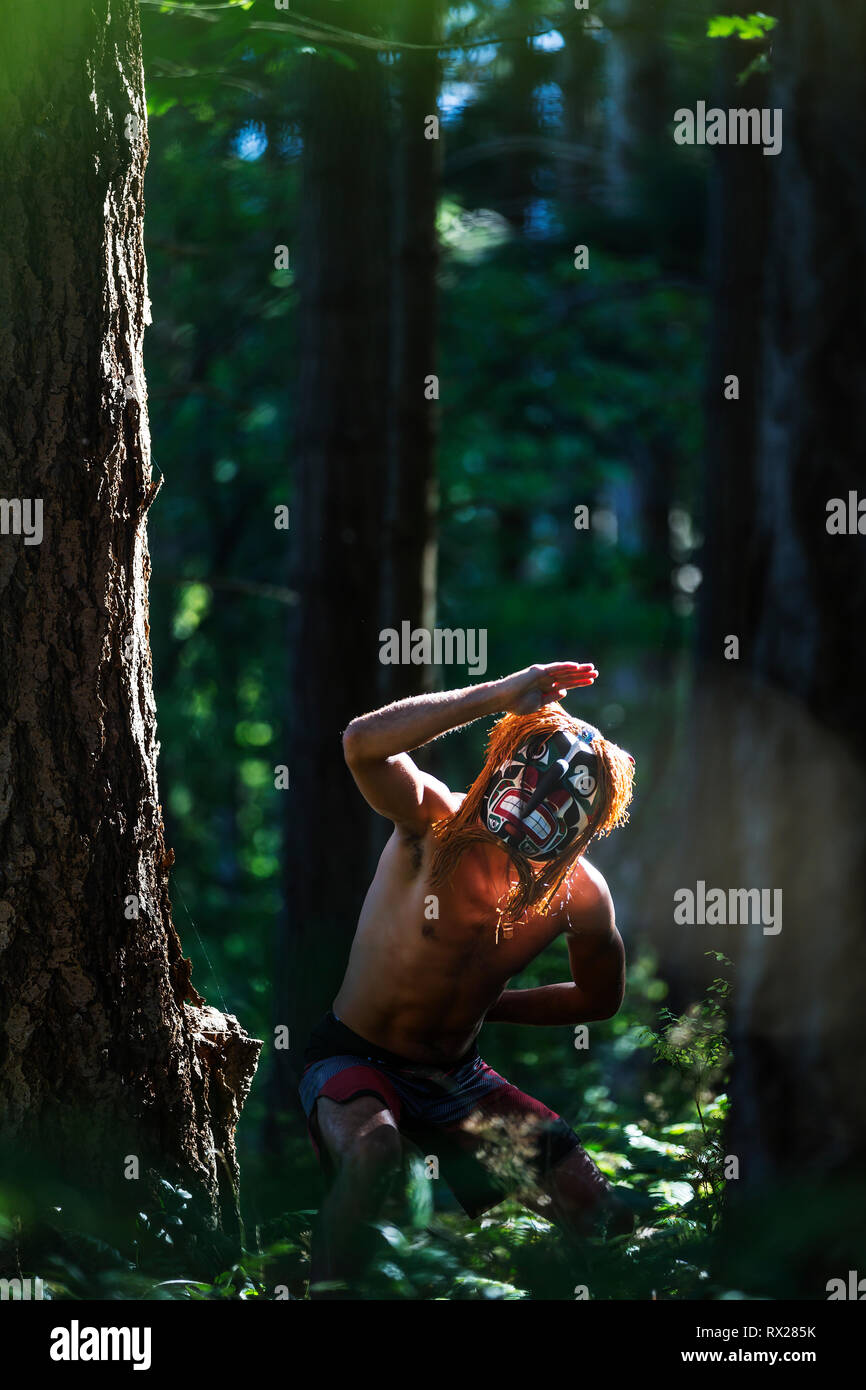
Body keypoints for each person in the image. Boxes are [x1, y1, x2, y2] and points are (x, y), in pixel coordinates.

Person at [299, 661, 636, 1297]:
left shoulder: (579, 895)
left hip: (458, 1076)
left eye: (564, 799)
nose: (538, 801)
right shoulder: (431, 821)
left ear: (587, 824)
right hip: (354, 1055)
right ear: (506, 765)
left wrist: (491, 1008)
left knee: (596, 1207)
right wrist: (499, 695)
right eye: (534, 778)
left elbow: (600, 999)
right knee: (373, 1155)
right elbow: (360, 745)